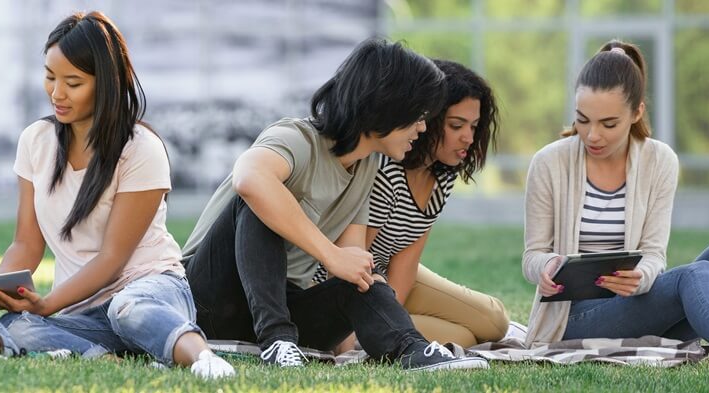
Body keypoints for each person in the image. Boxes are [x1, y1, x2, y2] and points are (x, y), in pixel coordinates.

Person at [181, 38, 490, 370]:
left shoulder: (367, 167)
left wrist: (364, 283)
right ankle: (277, 341)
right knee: (258, 198)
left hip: (280, 307)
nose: (423, 127)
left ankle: (411, 348)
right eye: (418, 115)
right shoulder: (296, 137)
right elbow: (250, 179)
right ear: (389, 105)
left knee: (359, 277)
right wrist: (332, 256)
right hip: (207, 302)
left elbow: (351, 259)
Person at [0, 11, 235, 379]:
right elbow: (26, 245)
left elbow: (113, 258)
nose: (56, 93)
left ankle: (203, 359)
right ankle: (103, 359)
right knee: (15, 325)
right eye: (50, 77)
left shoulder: (141, 149)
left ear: (106, 83)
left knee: (128, 308)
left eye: (73, 82)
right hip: (82, 308)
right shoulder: (35, 141)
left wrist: (48, 304)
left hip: (149, 290)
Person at [522, 40, 709, 353]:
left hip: (639, 302)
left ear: (636, 112)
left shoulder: (660, 160)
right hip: (573, 319)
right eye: (583, 119)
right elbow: (531, 256)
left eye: (608, 123)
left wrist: (640, 276)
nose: (593, 135)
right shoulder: (549, 162)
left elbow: (654, 254)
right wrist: (547, 266)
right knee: (697, 275)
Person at [322, 59, 509, 349]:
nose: (468, 138)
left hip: (387, 279)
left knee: (495, 322)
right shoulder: (386, 172)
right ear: (427, 119)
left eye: (474, 126)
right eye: (456, 125)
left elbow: (406, 263)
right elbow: (353, 263)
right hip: (353, 284)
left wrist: (392, 318)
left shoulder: (441, 176)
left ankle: (381, 331)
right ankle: (358, 335)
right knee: (464, 338)